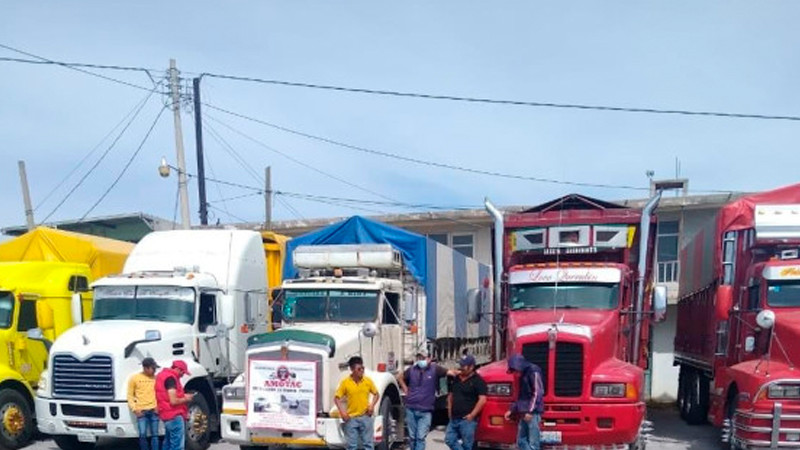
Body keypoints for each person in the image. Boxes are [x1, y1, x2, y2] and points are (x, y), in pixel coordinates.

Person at [396, 349, 455, 450]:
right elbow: (400, 377)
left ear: (429, 358)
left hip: (426, 410)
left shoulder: (435, 369)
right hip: (411, 408)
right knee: (412, 437)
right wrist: (406, 389)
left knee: (420, 437)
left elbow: (451, 373)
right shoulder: (412, 370)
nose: (420, 360)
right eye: (419, 358)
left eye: (422, 358)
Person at [334, 356, 379, 450]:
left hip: (365, 417)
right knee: (351, 447)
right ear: (352, 369)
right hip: (351, 419)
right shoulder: (345, 383)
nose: (362, 371)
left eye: (363, 368)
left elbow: (376, 394)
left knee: (368, 445)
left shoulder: (367, 381)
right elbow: (337, 398)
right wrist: (342, 412)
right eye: (359, 369)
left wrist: (372, 406)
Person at [445, 355, 487, 450]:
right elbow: (451, 395)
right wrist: (449, 411)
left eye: (463, 366)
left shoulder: (478, 381)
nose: (461, 368)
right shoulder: (455, 379)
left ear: (471, 367)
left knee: (468, 445)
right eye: (460, 365)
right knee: (449, 440)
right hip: (454, 418)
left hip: (467, 420)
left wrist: (472, 415)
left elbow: (482, 399)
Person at [504, 354, 544, 450]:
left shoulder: (534, 371)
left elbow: (538, 392)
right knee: (521, 441)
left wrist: (530, 411)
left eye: (515, 370)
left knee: (533, 443)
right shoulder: (522, 375)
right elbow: (521, 395)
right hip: (524, 412)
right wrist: (512, 410)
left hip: (532, 413)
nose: (515, 374)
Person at [155, 360, 195, 450]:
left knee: (168, 443)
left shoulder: (161, 375)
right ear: (177, 369)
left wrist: (183, 395)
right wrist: (186, 398)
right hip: (174, 415)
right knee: (177, 445)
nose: (182, 375)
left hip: (165, 414)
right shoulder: (171, 379)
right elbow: (173, 401)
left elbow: (165, 395)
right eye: (182, 372)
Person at [128, 357, 160, 450]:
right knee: (142, 434)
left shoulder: (156, 378)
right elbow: (130, 395)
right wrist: (134, 409)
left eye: (155, 368)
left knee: (155, 434)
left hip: (154, 410)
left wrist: (158, 406)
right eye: (152, 368)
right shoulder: (135, 378)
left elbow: (160, 393)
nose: (154, 370)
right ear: (145, 368)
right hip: (141, 411)